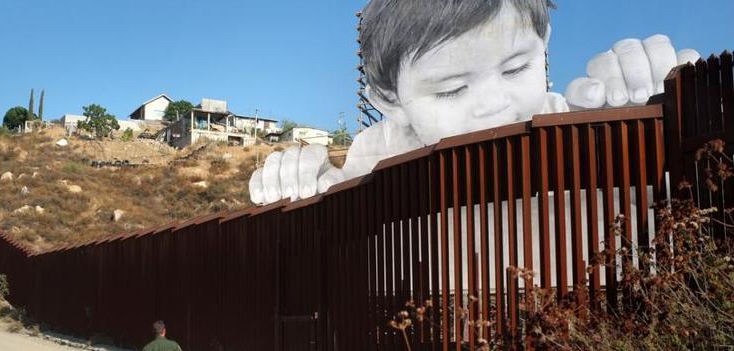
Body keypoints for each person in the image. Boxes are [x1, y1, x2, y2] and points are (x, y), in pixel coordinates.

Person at [248, 0, 700, 204]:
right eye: (450, 88)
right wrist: (319, 186)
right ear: (389, 98)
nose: (493, 105)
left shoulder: (585, 127)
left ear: (544, 42)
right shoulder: (374, 170)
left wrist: (673, 106)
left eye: (516, 67)